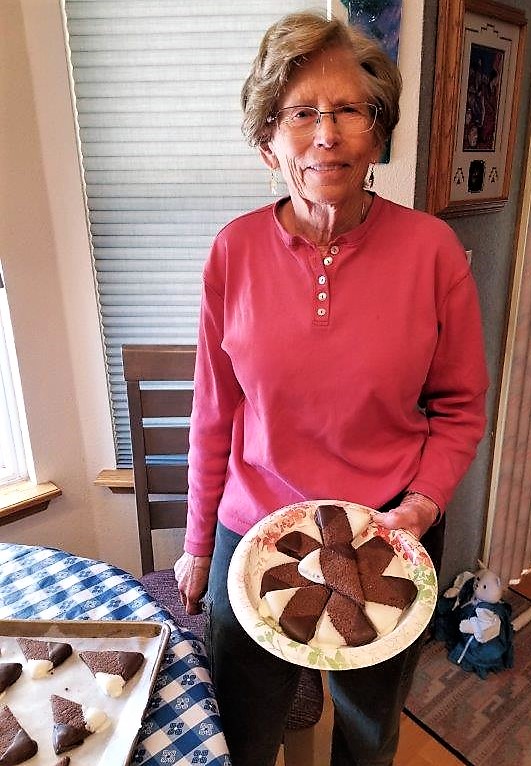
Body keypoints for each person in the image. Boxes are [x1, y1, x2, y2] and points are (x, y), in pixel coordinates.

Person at [174, 11, 488, 766]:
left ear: (376, 135)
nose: (327, 134)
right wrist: (196, 547)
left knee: (368, 733)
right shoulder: (233, 251)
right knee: (242, 730)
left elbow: (460, 408)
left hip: (388, 529)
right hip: (254, 533)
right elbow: (214, 413)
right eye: (300, 113)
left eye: (348, 109)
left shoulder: (433, 251)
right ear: (268, 142)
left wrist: (421, 505)